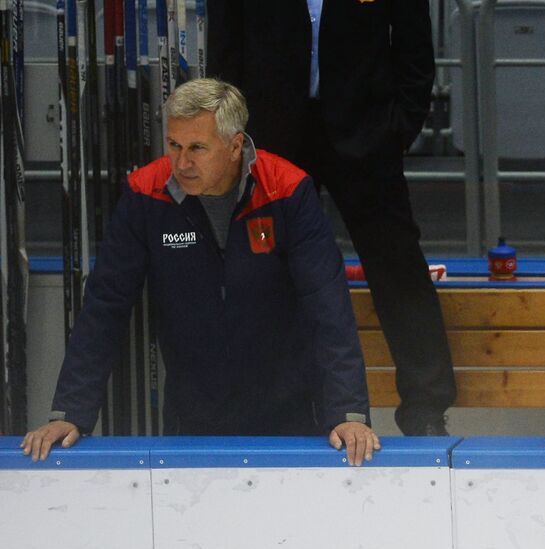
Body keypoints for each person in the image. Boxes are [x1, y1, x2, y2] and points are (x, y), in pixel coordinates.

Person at [20, 79, 378, 465]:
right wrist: (69, 412)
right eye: (174, 145)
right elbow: (104, 306)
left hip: (289, 413)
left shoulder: (287, 190)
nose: (181, 162)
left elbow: (328, 306)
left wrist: (348, 413)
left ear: (235, 145)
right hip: (191, 417)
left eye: (197, 148)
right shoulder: (146, 194)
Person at [208, 0, 456, 436]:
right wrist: (236, 137)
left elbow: (416, 49)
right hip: (271, 137)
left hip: (368, 133)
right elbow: (225, 51)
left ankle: (426, 406)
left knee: (398, 266)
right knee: (262, 270)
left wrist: (399, 128)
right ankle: (263, 407)